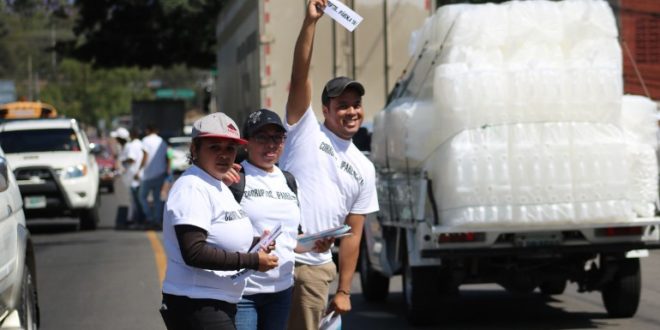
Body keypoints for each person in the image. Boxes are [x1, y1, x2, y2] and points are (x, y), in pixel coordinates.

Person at [279, 1, 379, 328]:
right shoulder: (303, 130)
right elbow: (299, 75)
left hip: (319, 270)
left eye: (356, 105)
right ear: (325, 109)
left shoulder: (364, 167)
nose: (351, 112)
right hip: (281, 264)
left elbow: (353, 234)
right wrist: (311, 23)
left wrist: (345, 290)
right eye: (342, 105)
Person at [160, 112, 279, 330]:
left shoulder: (216, 184)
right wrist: (252, 260)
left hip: (215, 302)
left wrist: (256, 244)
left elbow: (219, 235)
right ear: (195, 150)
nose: (224, 155)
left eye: (230, 148)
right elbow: (194, 252)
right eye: (214, 147)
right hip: (196, 303)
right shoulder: (192, 187)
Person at [233, 109, 333, 330]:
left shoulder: (288, 180)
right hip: (243, 293)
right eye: (262, 137)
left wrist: (317, 244)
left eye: (277, 137)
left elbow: (292, 240)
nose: (271, 144)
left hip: (281, 292)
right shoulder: (236, 178)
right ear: (246, 143)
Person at [112, 127, 146, 227]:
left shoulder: (130, 146)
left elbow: (132, 159)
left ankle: (137, 220)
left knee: (135, 201)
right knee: (137, 200)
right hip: (134, 176)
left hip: (131, 178)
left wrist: (122, 161)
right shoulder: (137, 144)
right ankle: (137, 219)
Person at [139, 124, 169, 229]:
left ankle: (149, 217)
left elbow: (145, 156)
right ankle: (157, 219)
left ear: (147, 130)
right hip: (160, 173)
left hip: (148, 174)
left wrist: (139, 169)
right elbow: (167, 156)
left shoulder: (145, 140)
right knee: (157, 198)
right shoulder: (162, 141)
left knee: (142, 196)